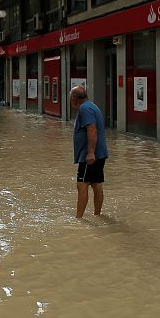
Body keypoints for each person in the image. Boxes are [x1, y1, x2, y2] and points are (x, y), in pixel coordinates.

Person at [69, 85, 108, 218]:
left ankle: (79, 218)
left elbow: (92, 129)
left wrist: (90, 152)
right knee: (96, 182)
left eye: (70, 98)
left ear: (74, 98)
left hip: (90, 155)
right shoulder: (92, 106)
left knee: (82, 183)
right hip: (99, 153)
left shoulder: (85, 109)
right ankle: (97, 215)